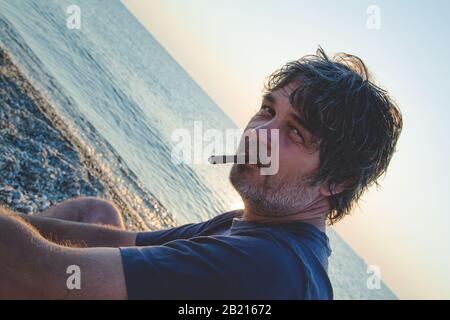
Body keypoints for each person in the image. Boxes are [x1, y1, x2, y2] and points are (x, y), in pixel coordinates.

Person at [0, 48, 402, 299]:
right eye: (267, 110)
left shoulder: (266, 267)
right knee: (95, 214)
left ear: (338, 180)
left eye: (294, 132)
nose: (259, 133)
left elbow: (37, 276)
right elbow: (122, 239)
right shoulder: (257, 227)